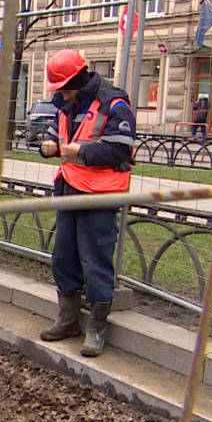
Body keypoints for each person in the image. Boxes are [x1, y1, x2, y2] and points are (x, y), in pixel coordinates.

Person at [38, 49, 136, 357]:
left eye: (65, 88)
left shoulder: (114, 104)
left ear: (80, 78)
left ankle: (96, 326)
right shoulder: (67, 104)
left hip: (99, 194)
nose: (62, 94)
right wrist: (48, 146)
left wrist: (78, 152)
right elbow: (57, 135)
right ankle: (68, 319)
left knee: (95, 259)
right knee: (63, 256)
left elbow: (121, 149)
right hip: (69, 188)